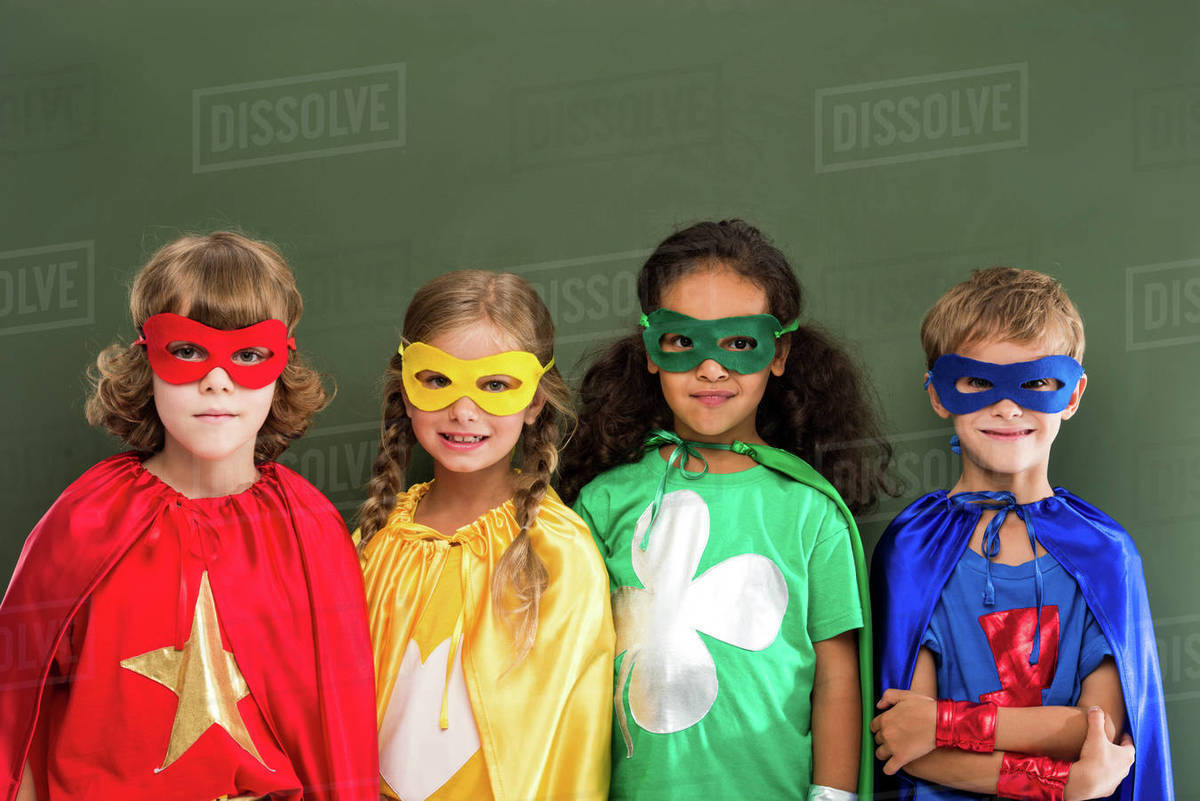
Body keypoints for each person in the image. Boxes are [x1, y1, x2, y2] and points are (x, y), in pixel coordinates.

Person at [0, 231, 378, 801]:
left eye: (249, 354)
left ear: (283, 366)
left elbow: (339, 738)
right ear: (145, 359)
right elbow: (14, 713)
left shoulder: (309, 530)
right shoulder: (87, 519)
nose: (217, 379)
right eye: (188, 350)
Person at [560, 219, 895, 801]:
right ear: (650, 350)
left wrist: (833, 796)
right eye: (683, 341)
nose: (711, 369)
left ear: (780, 352)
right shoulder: (605, 501)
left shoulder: (809, 508)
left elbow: (837, 678)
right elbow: (573, 667)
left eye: (739, 343)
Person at [870, 266, 1174, 800]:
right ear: (940, 394)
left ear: (1072, 394)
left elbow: (1096, 732)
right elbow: (900, 741)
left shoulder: (1105, 553)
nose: (1008, 406)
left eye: (1036, 383)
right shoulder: (914, 548)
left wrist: (941, 722)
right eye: (976, 382)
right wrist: (1063, 783)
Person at [355, 270, 613, 801]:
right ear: (405, 389)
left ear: (536, 401)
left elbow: (571, 748)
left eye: (496, 385)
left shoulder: (557, 553)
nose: (464, 411)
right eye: (436, 380)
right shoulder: (374, 541)